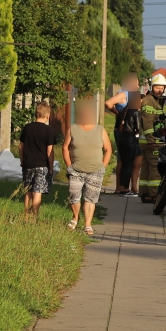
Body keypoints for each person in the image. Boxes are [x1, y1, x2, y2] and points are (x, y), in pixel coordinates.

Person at [65, 100, 112, 236]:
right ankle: (75, 217)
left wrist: (103, 165)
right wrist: (69, 165)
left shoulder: (100, 130)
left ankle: (87, 224)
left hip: (95, 170)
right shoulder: (73, 129)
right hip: (76, 170)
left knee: (90, 198)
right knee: (74, 195)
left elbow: (108, 149)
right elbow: (65, 147)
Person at [18, 101, 59, 223]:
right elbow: (49, 151)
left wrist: (22, 161)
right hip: (42, 166)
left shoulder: (27, 128)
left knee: (28, 191)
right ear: (47, 116)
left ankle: (26, 216)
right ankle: (34, 218)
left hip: (28, 165)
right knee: (38, 192)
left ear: (36, 114)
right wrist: (51, 167)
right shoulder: (49, 130)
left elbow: (21, 147)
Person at [105, 74, 142, 196]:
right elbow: (108, 103)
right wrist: (119, 114)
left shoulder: (133, 95)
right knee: (123, 158)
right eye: (136, 83)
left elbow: (135, 114)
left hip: (130, 130)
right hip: (123, 131)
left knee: (131, 158)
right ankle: (120, 187)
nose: (137, 85)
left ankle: (130, 187)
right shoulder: (124, 94)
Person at [137, 74, 166, 201]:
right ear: (151, 87)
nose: (160, 90)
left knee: (146, 168)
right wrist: (151, 140)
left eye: (162, 88)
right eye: (157, 87)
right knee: (155, 168)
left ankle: (145, 194)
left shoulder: (155, 100)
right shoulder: (150, 101)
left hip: (147, 141)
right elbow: (148, 122)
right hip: (152, 141)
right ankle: (155, 194)